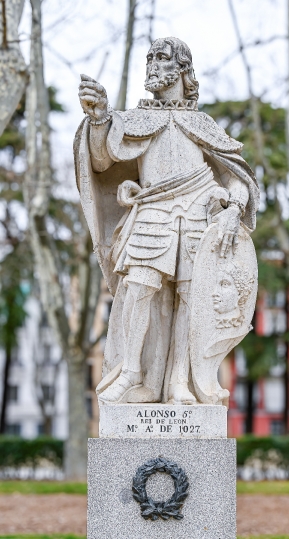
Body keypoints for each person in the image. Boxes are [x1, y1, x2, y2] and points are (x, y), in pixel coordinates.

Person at [75, 37, 259, 405]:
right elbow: (101, 158)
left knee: (190, 299)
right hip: (154, 213)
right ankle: (131, 372)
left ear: (183, 69)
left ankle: (179, 382)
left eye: (161, 58)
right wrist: (98, 119)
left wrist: (234, 210)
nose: (153, 65)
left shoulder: (201, 123)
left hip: (196, 215)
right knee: (139, 289)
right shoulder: (136, 119)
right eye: (149, 59)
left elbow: (236, 175)